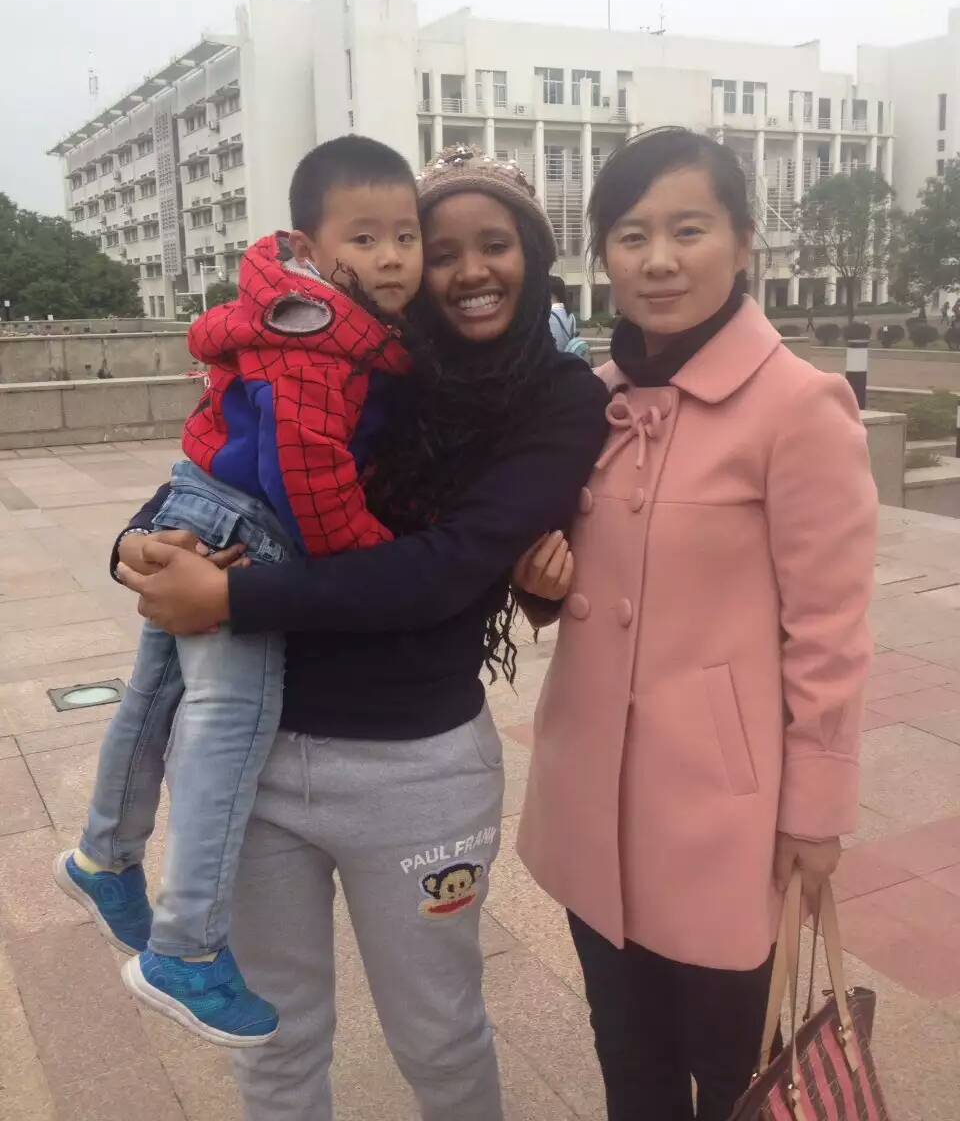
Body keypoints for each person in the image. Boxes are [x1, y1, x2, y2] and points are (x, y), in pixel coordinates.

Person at [109, 143, 609, 1121]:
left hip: (417, 774)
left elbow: (446, 569)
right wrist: (138, 545)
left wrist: (232, 601)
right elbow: (223, 465)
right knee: (274, 1039)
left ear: (535, 253)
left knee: (439, 1034)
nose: (467, 271)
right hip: (258, 757)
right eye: (442, 249)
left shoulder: (557, 397)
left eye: (496, 244)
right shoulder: (356, 351)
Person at [515, 128, 877, 1121]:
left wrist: (815, 812)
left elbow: (831, 630)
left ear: (744, 240)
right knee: (628, 1062)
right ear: (604, 255)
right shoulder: (592, 403)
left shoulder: (799, 406)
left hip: (720, 819)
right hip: (592, 802)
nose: (659, 259)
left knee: (735, 1076)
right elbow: (563, 565)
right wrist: (538, 583)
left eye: (689, 229)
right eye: (632, 235)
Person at [54, 136, 422, 1046]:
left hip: (199, 501)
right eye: (365, 238)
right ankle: (186, 947)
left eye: (406, 236)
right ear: (307, 245)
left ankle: (105, 854)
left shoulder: (293, 313)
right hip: (244, 533)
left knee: (150, 700)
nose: (390, 258)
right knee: (229, 728)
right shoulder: (321, 341)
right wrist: (370, 559)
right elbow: (309, 475)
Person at [548, 273, 591, 361]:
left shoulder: (548, 316)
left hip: (553, 362)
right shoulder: (570, 315)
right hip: (567, 360)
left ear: (551, 293)